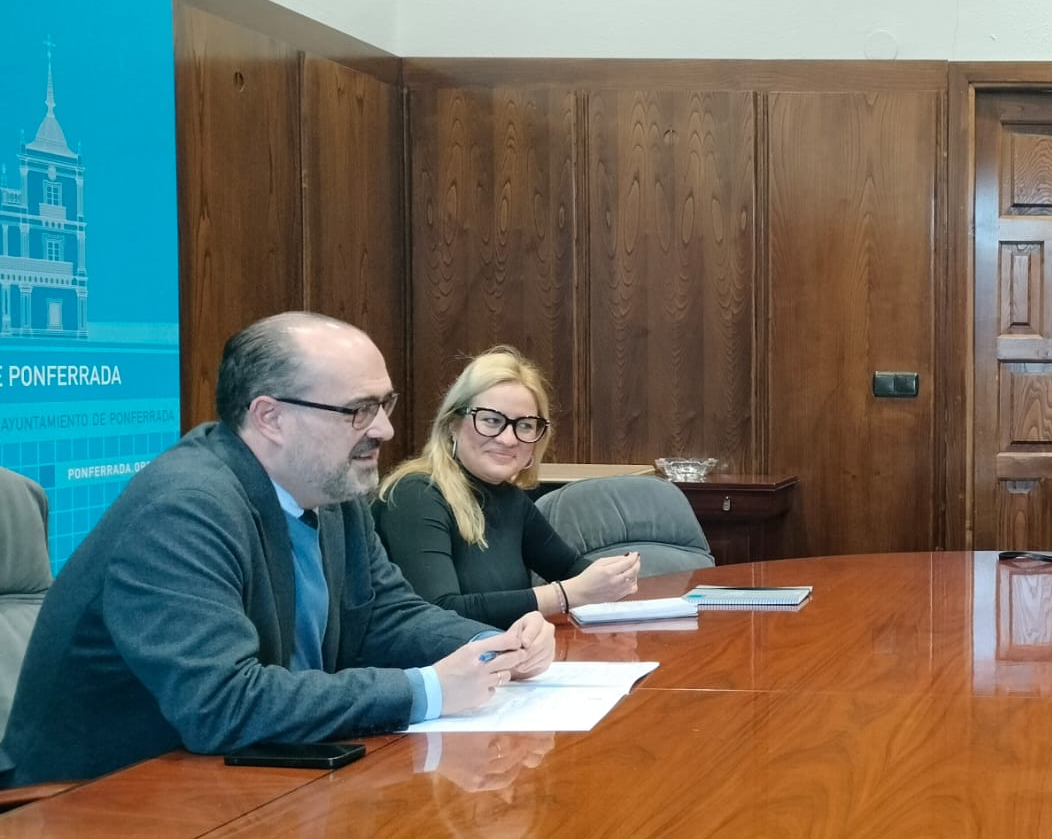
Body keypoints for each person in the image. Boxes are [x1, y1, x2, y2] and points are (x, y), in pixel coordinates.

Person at [0, 313, 551, 789]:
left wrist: (490, 646)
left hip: (253, 781)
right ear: (271, 417)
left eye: (385, 404)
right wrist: (426, 689)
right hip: (102, 810)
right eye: (359, 410)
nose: (384, 429)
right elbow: (223, 704)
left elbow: (384, 614)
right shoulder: (183, 510)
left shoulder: (332, 490)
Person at [375, 346, 639, 627]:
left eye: (524, 425)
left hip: (505, 652)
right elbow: (439, 612)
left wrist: (617, 576)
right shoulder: (415, 494)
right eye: (491, 420)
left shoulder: (511, 499)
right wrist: (563, 595)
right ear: (452, 424)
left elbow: (572, 570)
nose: (508, 439)